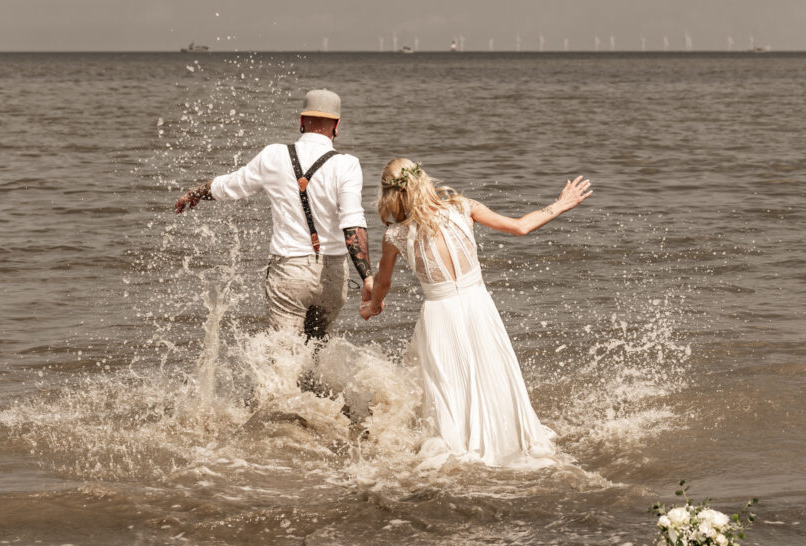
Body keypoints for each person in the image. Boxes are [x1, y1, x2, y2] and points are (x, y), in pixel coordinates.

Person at [360, 159, 592, 469]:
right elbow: (521, 226)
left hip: (439, 316)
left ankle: (457, 444)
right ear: (424, 180)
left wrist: (371, 305)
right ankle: (505, 438)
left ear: (390, 194)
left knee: (447, 388)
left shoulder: (396, 236)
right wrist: (560, 205)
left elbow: (384, 285)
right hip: (479, 307)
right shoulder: (463, 207)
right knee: (492, 374)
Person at [174, 89, 373, 340]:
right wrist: (367, 277)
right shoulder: (347, 164)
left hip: (290, 271)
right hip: (333, 275)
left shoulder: (274, 155)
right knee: (316, 351)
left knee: (283, 356)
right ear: (337, 125)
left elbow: (230, 186)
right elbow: (353, 223)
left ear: (302, 121)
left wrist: (195, 193)